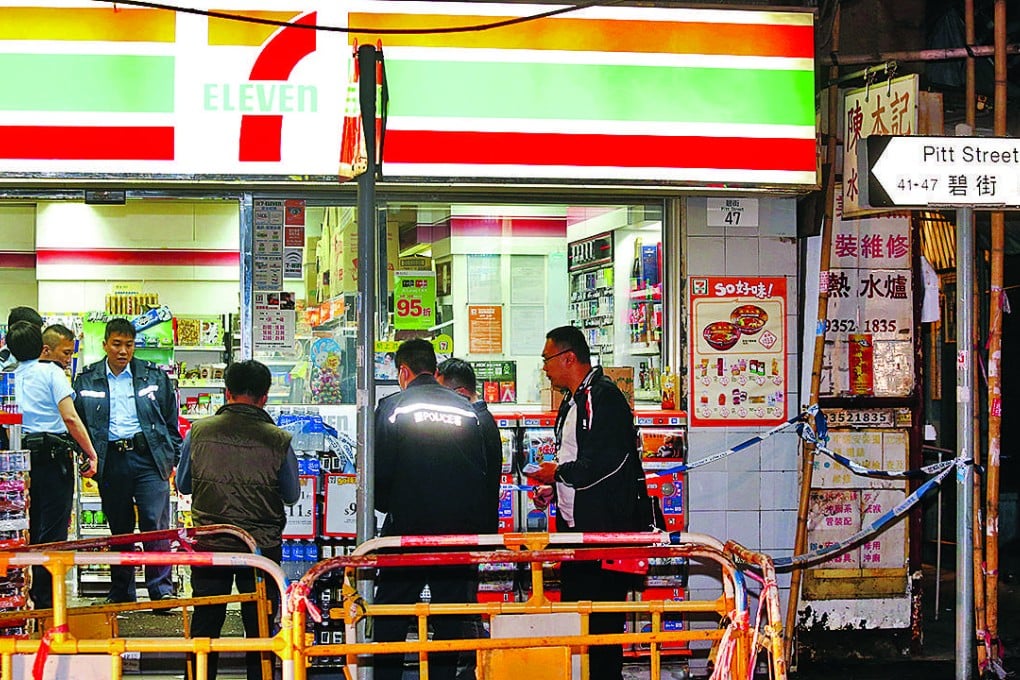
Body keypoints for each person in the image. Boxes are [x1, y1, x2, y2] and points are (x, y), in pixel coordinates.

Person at [529, 325, 645, 680]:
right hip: (576, 531)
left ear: (569, 357)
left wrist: (558, 474)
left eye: (547, 359)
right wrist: (554, 487)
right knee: (579, 616)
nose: (545, 368)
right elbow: (577, 456)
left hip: (603, 531)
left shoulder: (602, 397)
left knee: (603, 623)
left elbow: (603, 463)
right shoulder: (574, 398)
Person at [373, 339, 492, 680]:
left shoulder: (393, 407)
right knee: (449, 616)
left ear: (404, 372)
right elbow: (481, 470)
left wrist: (391, 506)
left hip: (407, 528)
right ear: (435, 370)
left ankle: (387, 676)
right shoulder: (467, 410)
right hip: (456, 531)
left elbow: (380, 470)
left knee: (391, 614)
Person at [177, 359, 300, 680]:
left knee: (205, 625)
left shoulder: (198, 432)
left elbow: (183, 484)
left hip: (210, 543)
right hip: (261, 551)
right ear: (265, 396)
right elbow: (291, 494)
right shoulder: (279, 440)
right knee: (259, 627)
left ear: (226, 392)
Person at [72, 317, 182, 606]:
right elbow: (77, 423)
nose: (123, 351)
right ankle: (121, 592)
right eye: (117, 344)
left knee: (154, 523)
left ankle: (161, 591)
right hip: (111, 460)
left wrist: (173, 457)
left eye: (129, 345)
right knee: (119, 528)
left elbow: (171, 420)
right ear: (105, 344)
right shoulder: (86, 379)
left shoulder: (154, 376)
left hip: (149, 458)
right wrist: (86, 456)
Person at [8, 321, 98, 608]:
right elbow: (70, 418)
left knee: (25, 526)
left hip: (17, 459)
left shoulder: (6, 375)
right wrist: (90, 452)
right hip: (52, 457)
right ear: (41, 347)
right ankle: (46, 600)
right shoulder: (51, 373)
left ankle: (22, 595)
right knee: (53, 531)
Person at [436, 357, 504, 680]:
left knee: (462, 606)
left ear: (460, 392)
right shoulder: (481, 421)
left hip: (468, 531)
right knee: (462, 603)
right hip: (472, 529)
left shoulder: (476, 424)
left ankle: (470, 669)